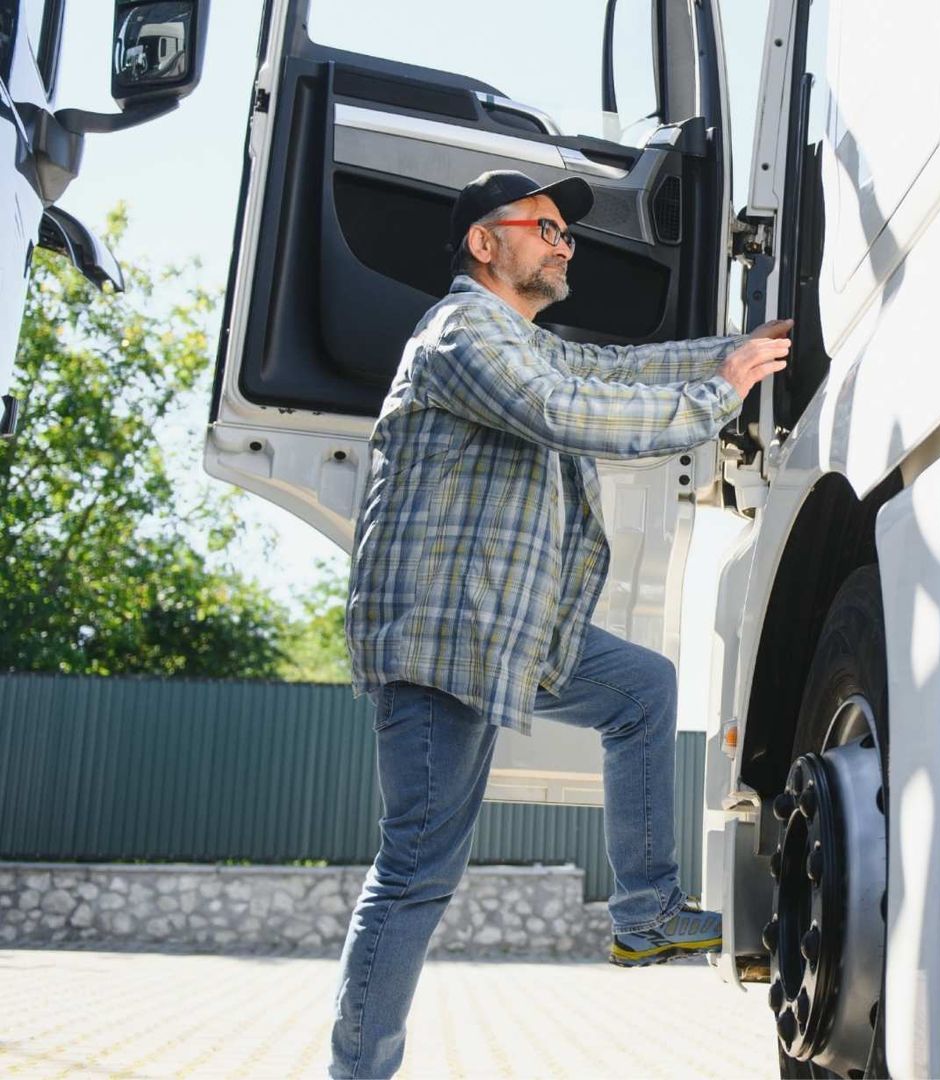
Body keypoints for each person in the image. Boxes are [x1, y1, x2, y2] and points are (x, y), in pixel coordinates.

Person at [329, 169, 790, 1079]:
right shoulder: (462, 334)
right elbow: (566, 411)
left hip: (508, 627)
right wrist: (719, 394)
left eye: (566, 234)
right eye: (543, 226)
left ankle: (645, 913)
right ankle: (357, 1072)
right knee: (417, 871)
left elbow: (609, 370)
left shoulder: (522, 340)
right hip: (440, 636)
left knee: (642, 689)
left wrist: (737, 349)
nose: (562, 242)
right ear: (483, 243)